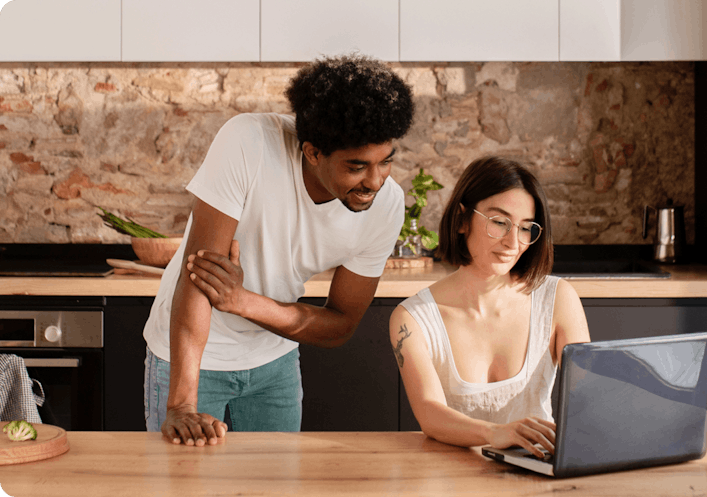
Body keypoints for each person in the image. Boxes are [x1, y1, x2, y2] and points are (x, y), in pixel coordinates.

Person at [143, 54, 415, 447]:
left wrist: (242, 301)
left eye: (385, 162)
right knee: (185, 487)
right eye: (356, 167)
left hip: (276, 366)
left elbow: (341, 324)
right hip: (191, 360)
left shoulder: (386, 206)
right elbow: (200, 278)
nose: (374, 181)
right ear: (312, 152)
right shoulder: (248, 142)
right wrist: (182, 404)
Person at [389, 156, 591, 458]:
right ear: (461, 220)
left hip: (539, 472)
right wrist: (493, 433)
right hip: (454, 476)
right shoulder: (412, 319)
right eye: (499, 222)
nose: (513, 242)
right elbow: (429, 414)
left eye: (525, 228)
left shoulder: (558, 298)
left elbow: (588, 392)